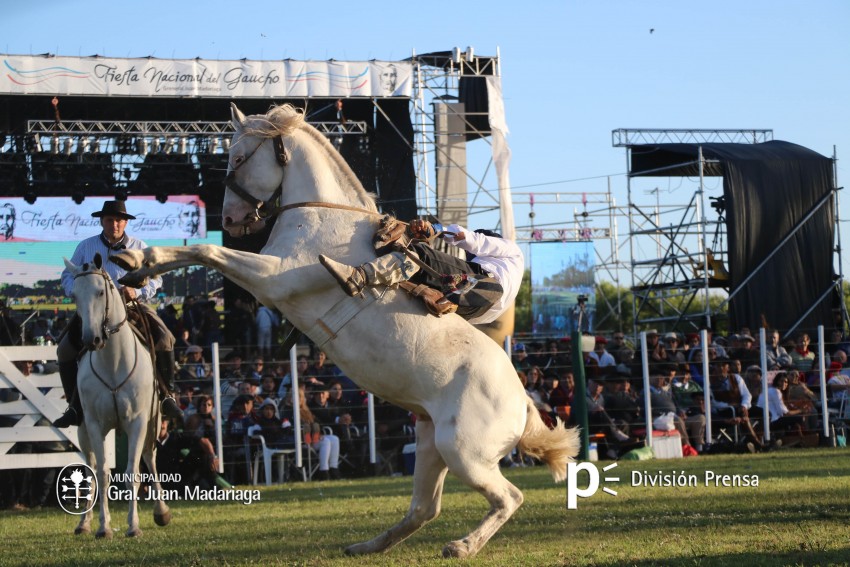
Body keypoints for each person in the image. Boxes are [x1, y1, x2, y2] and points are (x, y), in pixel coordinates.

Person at [54, 200, 182, 427]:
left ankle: (167, 395)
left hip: (132, 306)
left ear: (125, 223)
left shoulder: (139, 246)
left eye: (119, 220)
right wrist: (78, 292)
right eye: (110, 220)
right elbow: (67, 275)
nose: (115, 224)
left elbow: (156, 278)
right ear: (102, 221)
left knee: (165, 338)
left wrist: (137, 291)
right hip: (94, 309)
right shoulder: (85, 246)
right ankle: (74, 407)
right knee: (64, 348)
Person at [319, 219, 523, 325]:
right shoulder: (511, 282)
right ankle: (393, 262)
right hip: (475, 311)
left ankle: (359, 277)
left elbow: (474, 240)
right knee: (422, 271)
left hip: (483, 283)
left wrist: (436, 229)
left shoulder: (511, 249)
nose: (470, 256)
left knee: (423, 256)